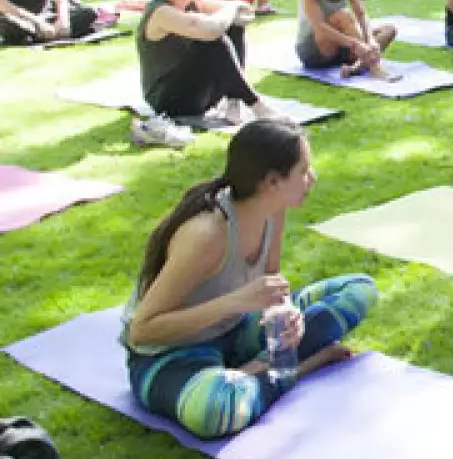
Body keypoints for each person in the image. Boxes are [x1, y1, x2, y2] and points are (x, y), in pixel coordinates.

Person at [121, 120, 374, 438]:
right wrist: (234, 302)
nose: (312, 178)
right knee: (216, 409)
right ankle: (299, 366)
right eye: (304, 170)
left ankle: (257, 370)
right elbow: (141, 331)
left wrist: (285, 312)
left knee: (359, 290)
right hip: (170, 355)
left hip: (236, 332)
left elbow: (271, 279)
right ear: (272, 181)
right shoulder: (207, 234)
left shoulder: (273, 209)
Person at [136, 0, 285, 129]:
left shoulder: (192, 2)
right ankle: (256, 105)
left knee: (232, 26)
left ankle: (234, 103)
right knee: (213, 39)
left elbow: (244, 14)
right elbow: (212, 30)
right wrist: (232, 5)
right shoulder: (161, 12)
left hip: (198, 94)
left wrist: (232, 7)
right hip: (168, 101)